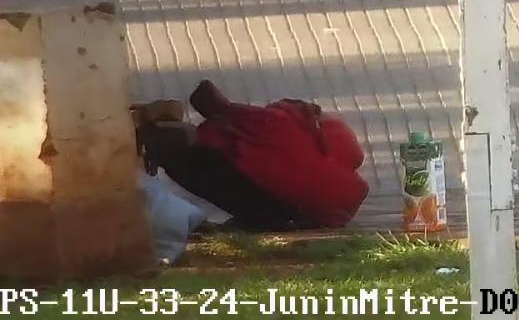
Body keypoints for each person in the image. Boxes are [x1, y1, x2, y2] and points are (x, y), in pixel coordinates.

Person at [134, 80, 368, 230]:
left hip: (267, 203)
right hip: (304, 215)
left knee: (192, 152)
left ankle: (163, 139)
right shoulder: (340, 144)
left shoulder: (277, 121)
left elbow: (209, 101)